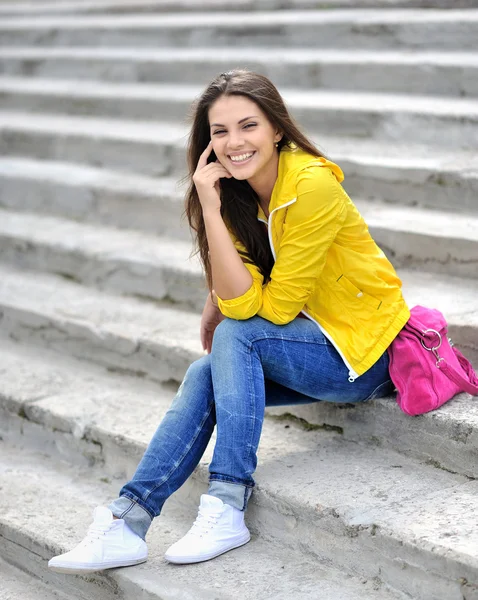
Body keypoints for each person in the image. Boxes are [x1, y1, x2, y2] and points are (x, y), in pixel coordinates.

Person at [48, 70, 410, 573]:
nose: (234, 143)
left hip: (366, 355)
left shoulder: (312, 185)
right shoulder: (235, 194)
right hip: (310, 346)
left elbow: (269, 311)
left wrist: (222, 303)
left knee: (237, 335)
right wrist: (212, 211)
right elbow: (241, 299)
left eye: (248, 126)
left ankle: (227, 502)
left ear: (277, 128)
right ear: (207, 141)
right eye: (220, 132)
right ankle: (126, 522)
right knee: (205, 372)